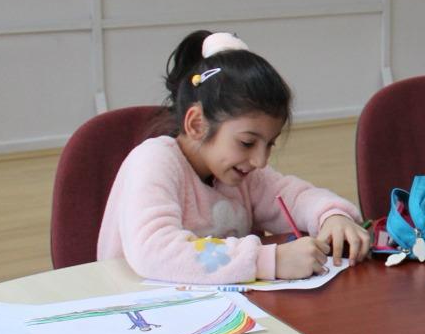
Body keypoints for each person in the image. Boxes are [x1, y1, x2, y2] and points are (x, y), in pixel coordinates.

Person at [97, 31, 370, 284]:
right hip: (136, 309)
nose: (260, 161)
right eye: (247, 142)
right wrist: (269, 261)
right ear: (196, 124)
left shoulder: (241, 172)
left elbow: (294, 196)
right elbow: (155, 251)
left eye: (269, 144)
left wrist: (331, 216)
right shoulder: (154, 160)